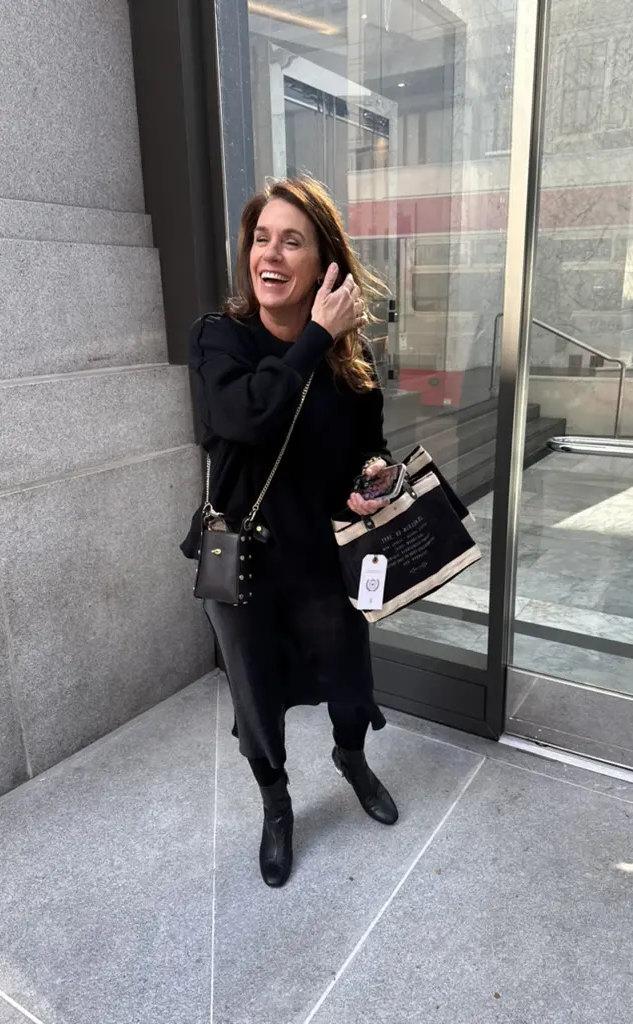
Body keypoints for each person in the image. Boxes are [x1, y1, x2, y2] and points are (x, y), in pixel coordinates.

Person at [181, 176, 399, 888]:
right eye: (261, 238)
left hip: (323, 559)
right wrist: (314, 338)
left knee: (349, 678)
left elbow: (371, 448)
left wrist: (371, 477)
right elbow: (245, 416)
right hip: (243, 563)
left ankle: (351, 758)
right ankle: (277, 806)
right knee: (257, 700)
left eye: (291, 241)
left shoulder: (349, 367)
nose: (269, 254)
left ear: (323, 264)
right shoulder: (219, 339)